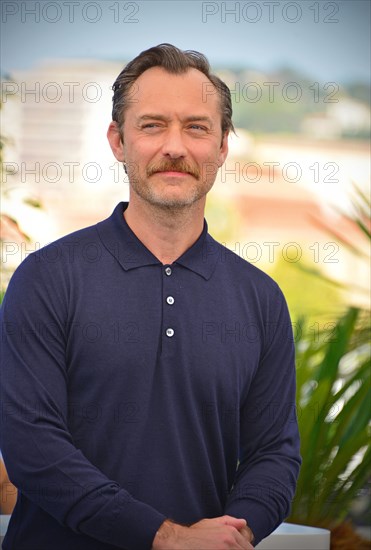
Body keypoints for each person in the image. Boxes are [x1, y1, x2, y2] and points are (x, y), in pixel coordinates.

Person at [0, 44, 301, 549]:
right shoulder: (47, 279)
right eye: (153, 125)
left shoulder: (260, 299)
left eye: (197, 127)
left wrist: (234, 532)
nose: (175, 147)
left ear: (224, 146)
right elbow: (33, 446)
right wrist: (166, 538)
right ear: (118, 141)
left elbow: (274, 454)